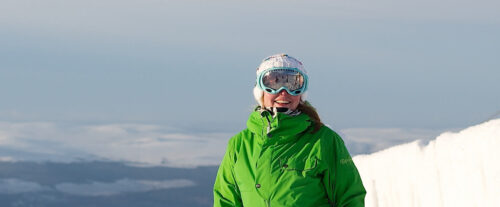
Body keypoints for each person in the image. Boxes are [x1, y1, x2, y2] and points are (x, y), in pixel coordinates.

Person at [213, 54, 366, 207]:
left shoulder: (323, 140)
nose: (284, 92)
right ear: (261, 91)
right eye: (274, 84)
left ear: (301, 93)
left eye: (293, 84)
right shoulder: (240, 145)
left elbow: (350, 197)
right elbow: (226, 201)